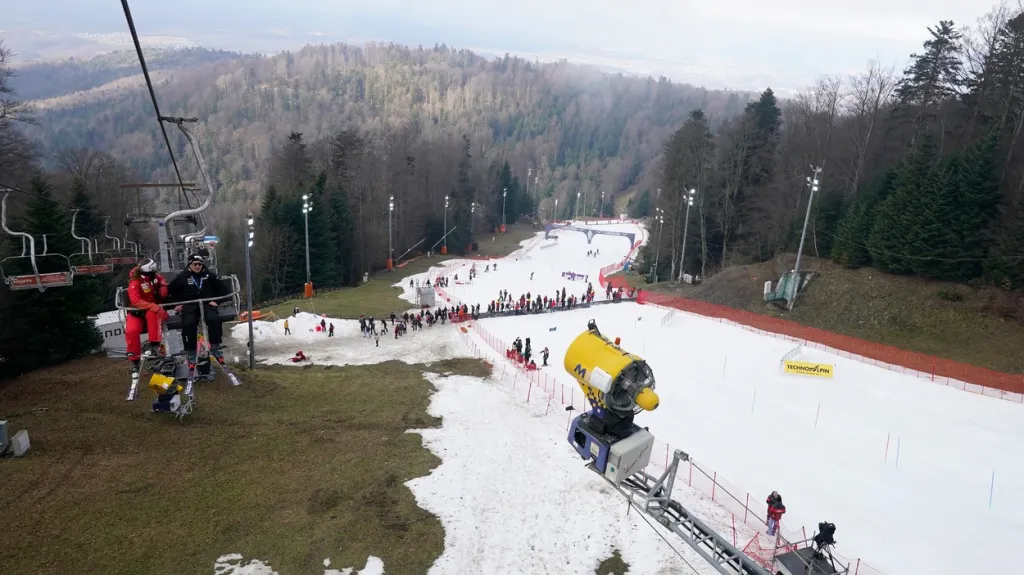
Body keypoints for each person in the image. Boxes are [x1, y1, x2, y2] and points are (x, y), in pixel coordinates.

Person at [168, 254, 230, 366]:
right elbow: (170, 291)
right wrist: (176, 304)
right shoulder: (182, 276)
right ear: (190, 264)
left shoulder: (209, 275)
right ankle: (191, 351)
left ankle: (215, 347)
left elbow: (225, 290)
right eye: (195, 264)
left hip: (207, 303)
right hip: (190, 305)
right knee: (189, 323)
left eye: (199, 264)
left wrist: (216, 301)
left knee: (214, 319)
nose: (197, 266)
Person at [125, 258, 169, 378]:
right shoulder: (135, 282)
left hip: (150, 310)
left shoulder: (152, 277)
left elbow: (159, 279)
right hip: (137, 312)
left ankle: (154, 344)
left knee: (153, 315)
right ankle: (134, 360)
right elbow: (136, 301)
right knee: (131, 331)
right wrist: (155, 307)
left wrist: (163, 285)